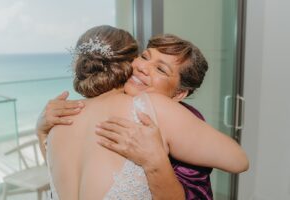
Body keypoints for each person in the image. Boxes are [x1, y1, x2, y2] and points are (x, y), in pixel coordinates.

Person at [38, 25, 248, 200]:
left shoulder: (64, 119)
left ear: (179, 94)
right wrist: (41, 129)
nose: (143, 68)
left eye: (161, 69)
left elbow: (239, 161)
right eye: (145, 57)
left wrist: (155, 159)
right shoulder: (150, 108)